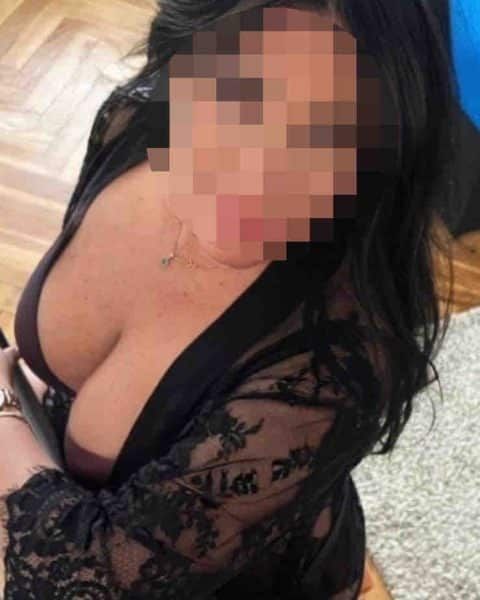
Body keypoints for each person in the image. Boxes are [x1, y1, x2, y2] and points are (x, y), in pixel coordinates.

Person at [0, 0, 458, 598]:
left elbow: (86, 583)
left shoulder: (334, 363)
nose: (259, 173)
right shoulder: (129, 126)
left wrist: (6, 413)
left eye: (330, 128)